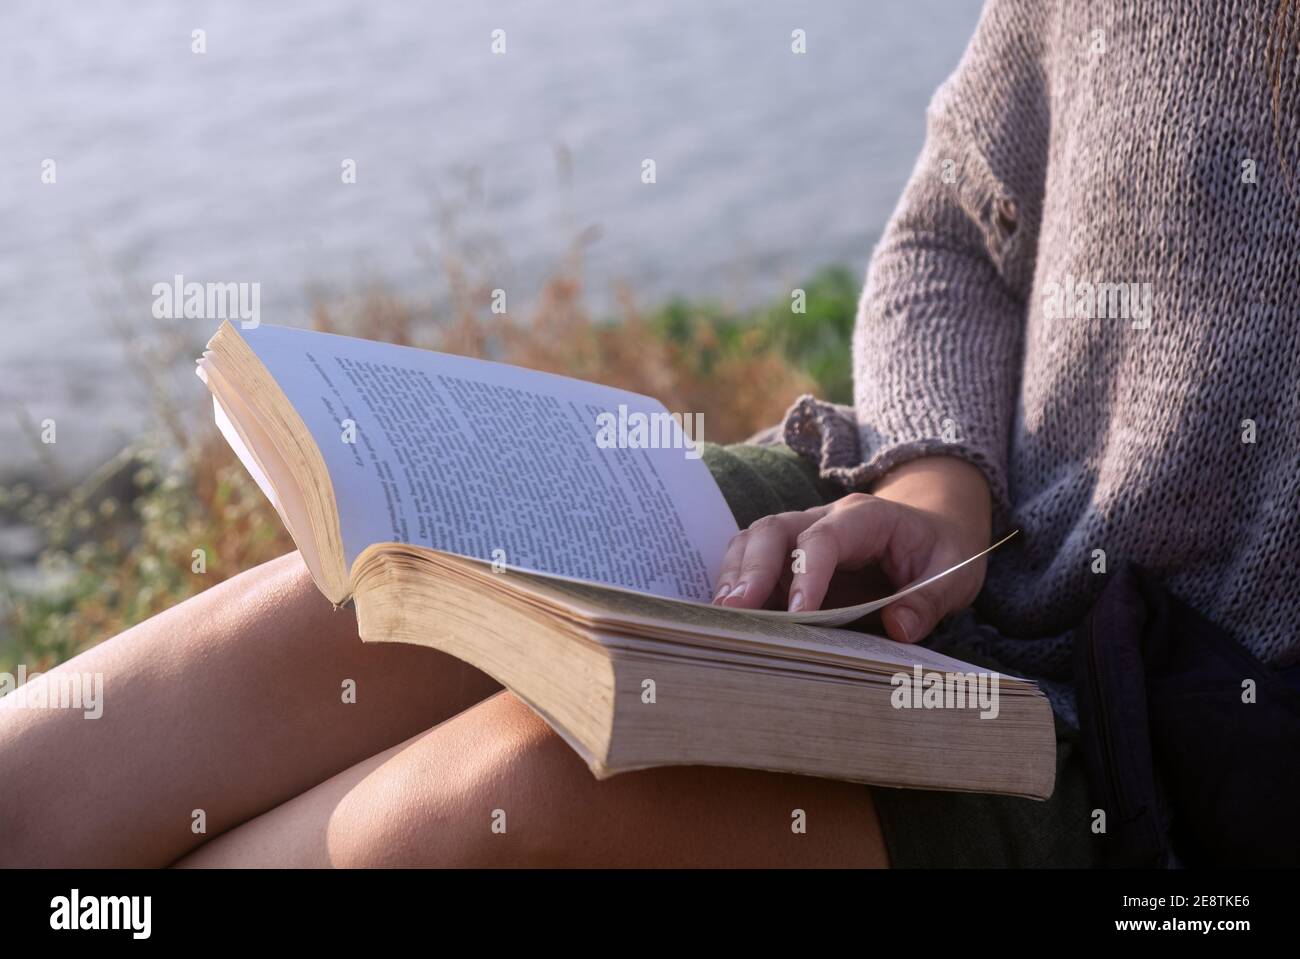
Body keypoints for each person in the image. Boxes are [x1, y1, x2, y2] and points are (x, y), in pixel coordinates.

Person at [2, 0, 1297, 867]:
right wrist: (937, 476)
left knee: (459, 822)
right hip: (884, 530)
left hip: (1170, 756)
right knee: (119, 731)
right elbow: (956, 230)